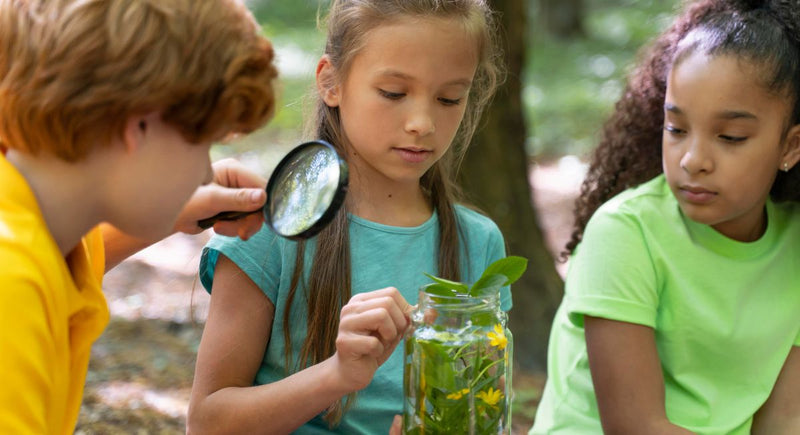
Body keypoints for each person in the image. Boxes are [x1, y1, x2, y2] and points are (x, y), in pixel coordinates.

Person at [188, 0, 513, 433]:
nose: (422, 122)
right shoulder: (266, 231)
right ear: (330, 82)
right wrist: (337, 375)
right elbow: (207, 423)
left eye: (449, 98)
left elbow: (486, 412)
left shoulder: (479, 242)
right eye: (394, 93)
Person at [0, 0, 278, 433]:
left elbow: (69, 262)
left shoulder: (37, 222)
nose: (205, 172)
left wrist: (173, 209)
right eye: (202, 143)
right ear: (140, 125)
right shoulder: (10, 288)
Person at [530, 0, 800, 433]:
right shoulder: (625, 233)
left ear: (790, 147)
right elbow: (636, 426)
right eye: (676, 129)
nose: (693, 160)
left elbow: (785, 419)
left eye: (730, 137)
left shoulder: (794, 245)